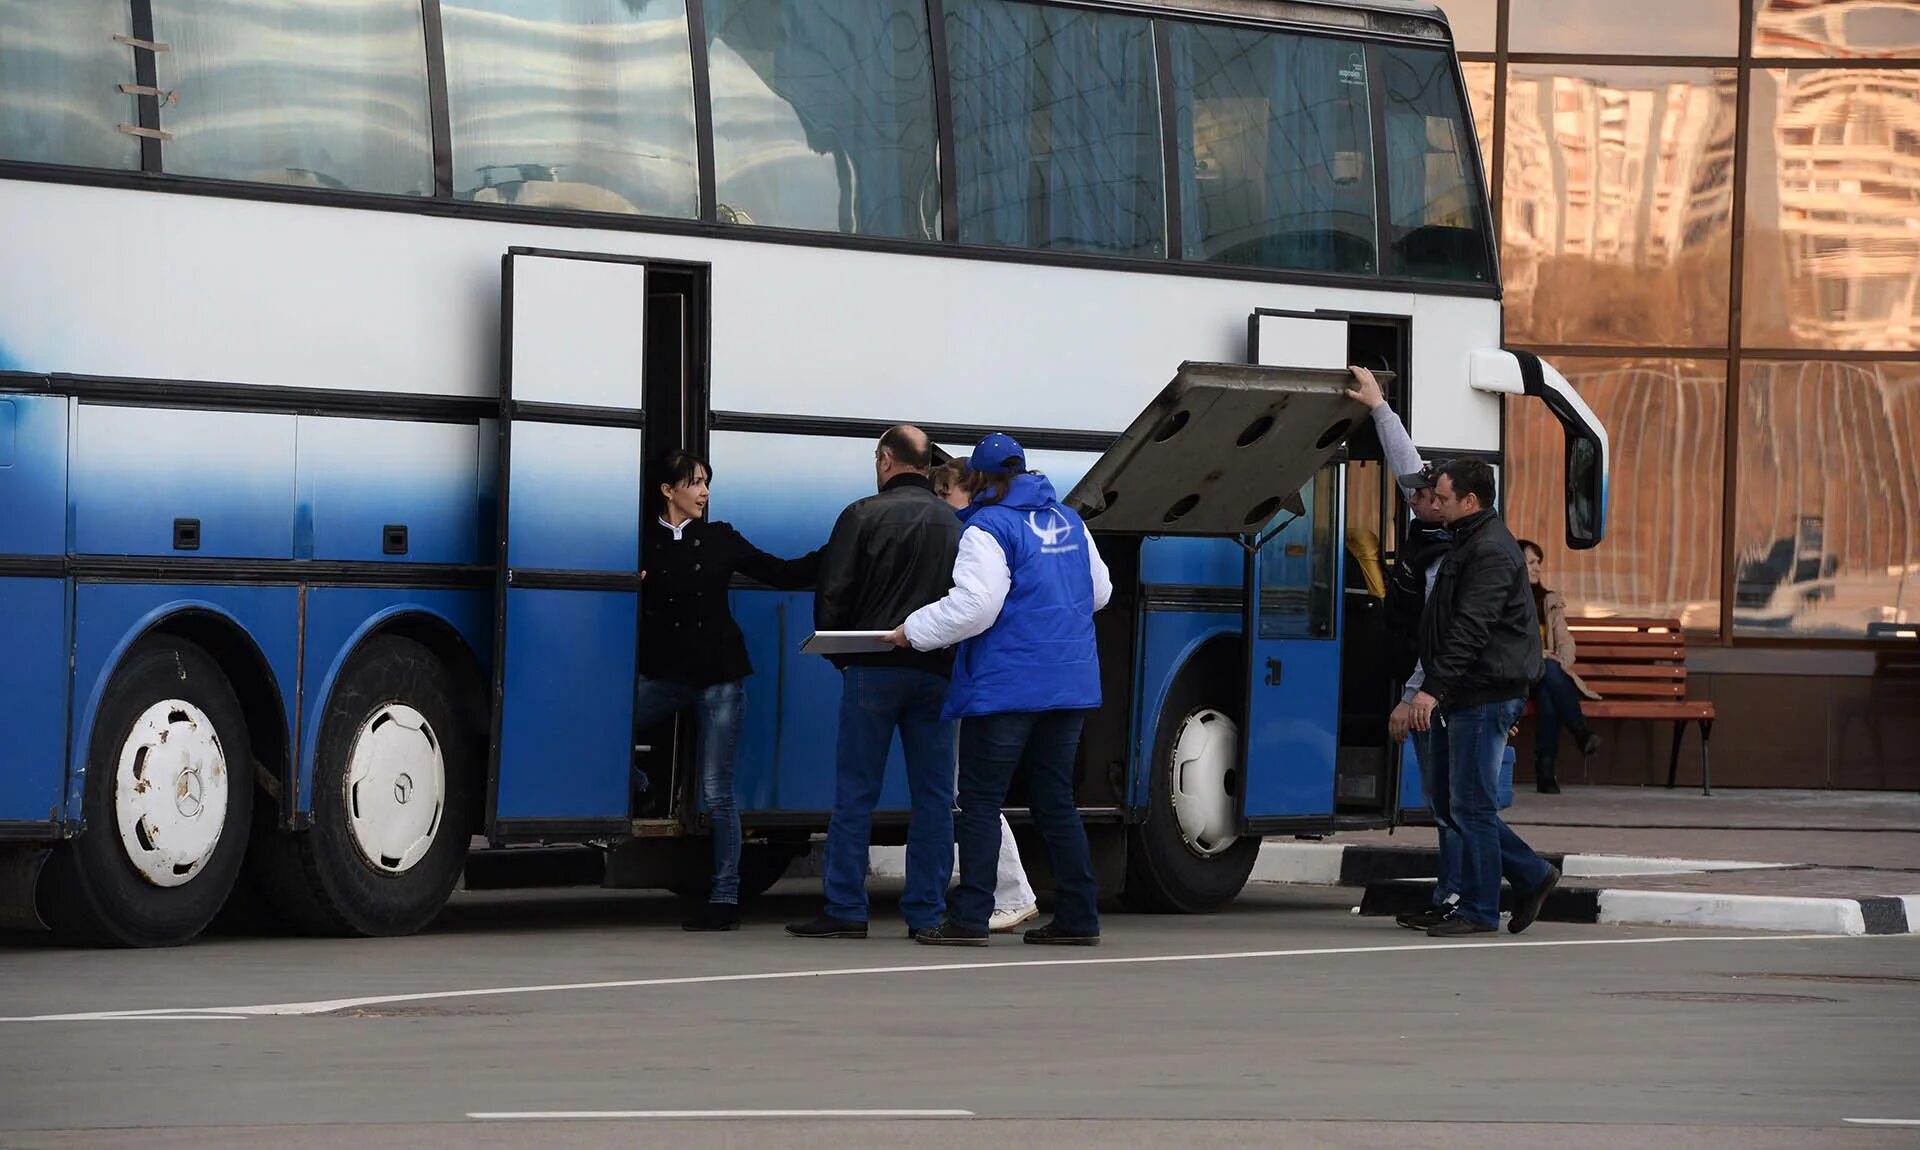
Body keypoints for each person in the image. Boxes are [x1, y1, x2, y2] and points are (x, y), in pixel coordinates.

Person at [889, 434, 1112, 947]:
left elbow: (977, 606)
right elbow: (1100, 592)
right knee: (1056, 801)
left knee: (981, 802)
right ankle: (1079, 917)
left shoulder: (989, 527)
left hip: (1008, 685)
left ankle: (969, 918)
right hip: (1070, 683)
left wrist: (914, 631)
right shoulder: (1070, 521)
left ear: (978, 480)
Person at [787, 426, 964, 941]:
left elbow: (831, 597)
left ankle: (846, 909)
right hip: (937, 671)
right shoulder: (954, 521)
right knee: (933, 797)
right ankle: (927, 913)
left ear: (886, 460)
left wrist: (848, 662)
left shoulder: (860, 514)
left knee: (855, 794)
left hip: (873, 667)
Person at [635, 450, 821, 932]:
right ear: (667, 490)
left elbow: (781, 571)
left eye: (706, 483)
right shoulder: (641, 542)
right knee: (606, 729)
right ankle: (643, 785)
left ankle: (724, 897)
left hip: (720, 675)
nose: (703, 492)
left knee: (717, 792)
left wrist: (838, 550)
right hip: (667, 674)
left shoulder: (720, 537)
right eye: (694, 483)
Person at [1406, 458, 1560, 937]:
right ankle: (1531, 874)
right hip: (1471, 691)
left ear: (1469, 501)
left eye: (1445, 499)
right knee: (1457, 804)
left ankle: (1480, 908)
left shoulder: (1489, 549)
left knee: (1469, 805)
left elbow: (1471, 629)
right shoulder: (1471, 541)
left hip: (1483, 691)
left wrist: (1431, 689)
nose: (1437, 505)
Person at [1344, 366, 1462, 932]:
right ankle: (1456, 891)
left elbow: (1437, 635)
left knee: (1454, 805)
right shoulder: (1432, 528)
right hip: (1437, 687)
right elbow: (1403, 465)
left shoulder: (1446, 556)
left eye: (1428, 493)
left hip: (1440, 692)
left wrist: (1415, 694)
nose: (1414, 496)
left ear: (1450, 503)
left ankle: (1466, 891)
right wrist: (1378, 408)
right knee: (1452, 804)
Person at [930, 458, 1039, 932]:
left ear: (970, 494)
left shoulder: (979, 535)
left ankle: (1009, 892)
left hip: (984, 678)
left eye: (945, 492)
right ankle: (1000, 888)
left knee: (973, 792)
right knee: (972, 792)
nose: (941, 503)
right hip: (996, 676)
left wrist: (915, 630)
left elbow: (975, 607)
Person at [1516, 539, 1603, 793]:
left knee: (1548, 697)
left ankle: (1546, 773)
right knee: (1548, 674)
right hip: (1518, 676)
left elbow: (1565, 640)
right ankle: (1580, 732)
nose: (1536, 568)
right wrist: (1539, 655)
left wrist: (1559, 659)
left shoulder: (1550, 600)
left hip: (1547, 677)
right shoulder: (1507, 600)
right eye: (1530, 562)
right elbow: (1508, 643)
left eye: (1538, 563)